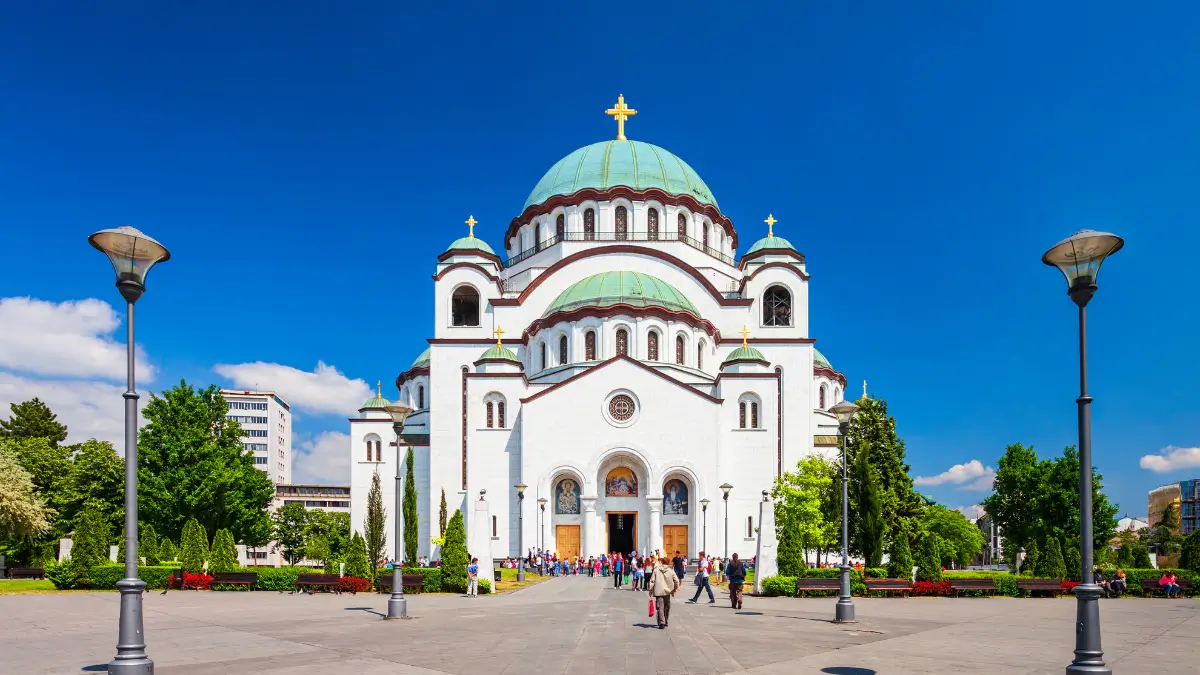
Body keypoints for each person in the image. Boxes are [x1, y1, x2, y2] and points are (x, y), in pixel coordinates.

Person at [648, 555, 680, 629]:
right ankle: (665, 621)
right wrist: (674, 589)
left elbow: (652, 580)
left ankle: (661, 622)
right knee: (667, 606)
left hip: (658, 591)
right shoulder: (671, 570)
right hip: (668, 591)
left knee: (660, 607)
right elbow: (677, 581)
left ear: (662, 562)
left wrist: (650, 589)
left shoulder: (656, 569)